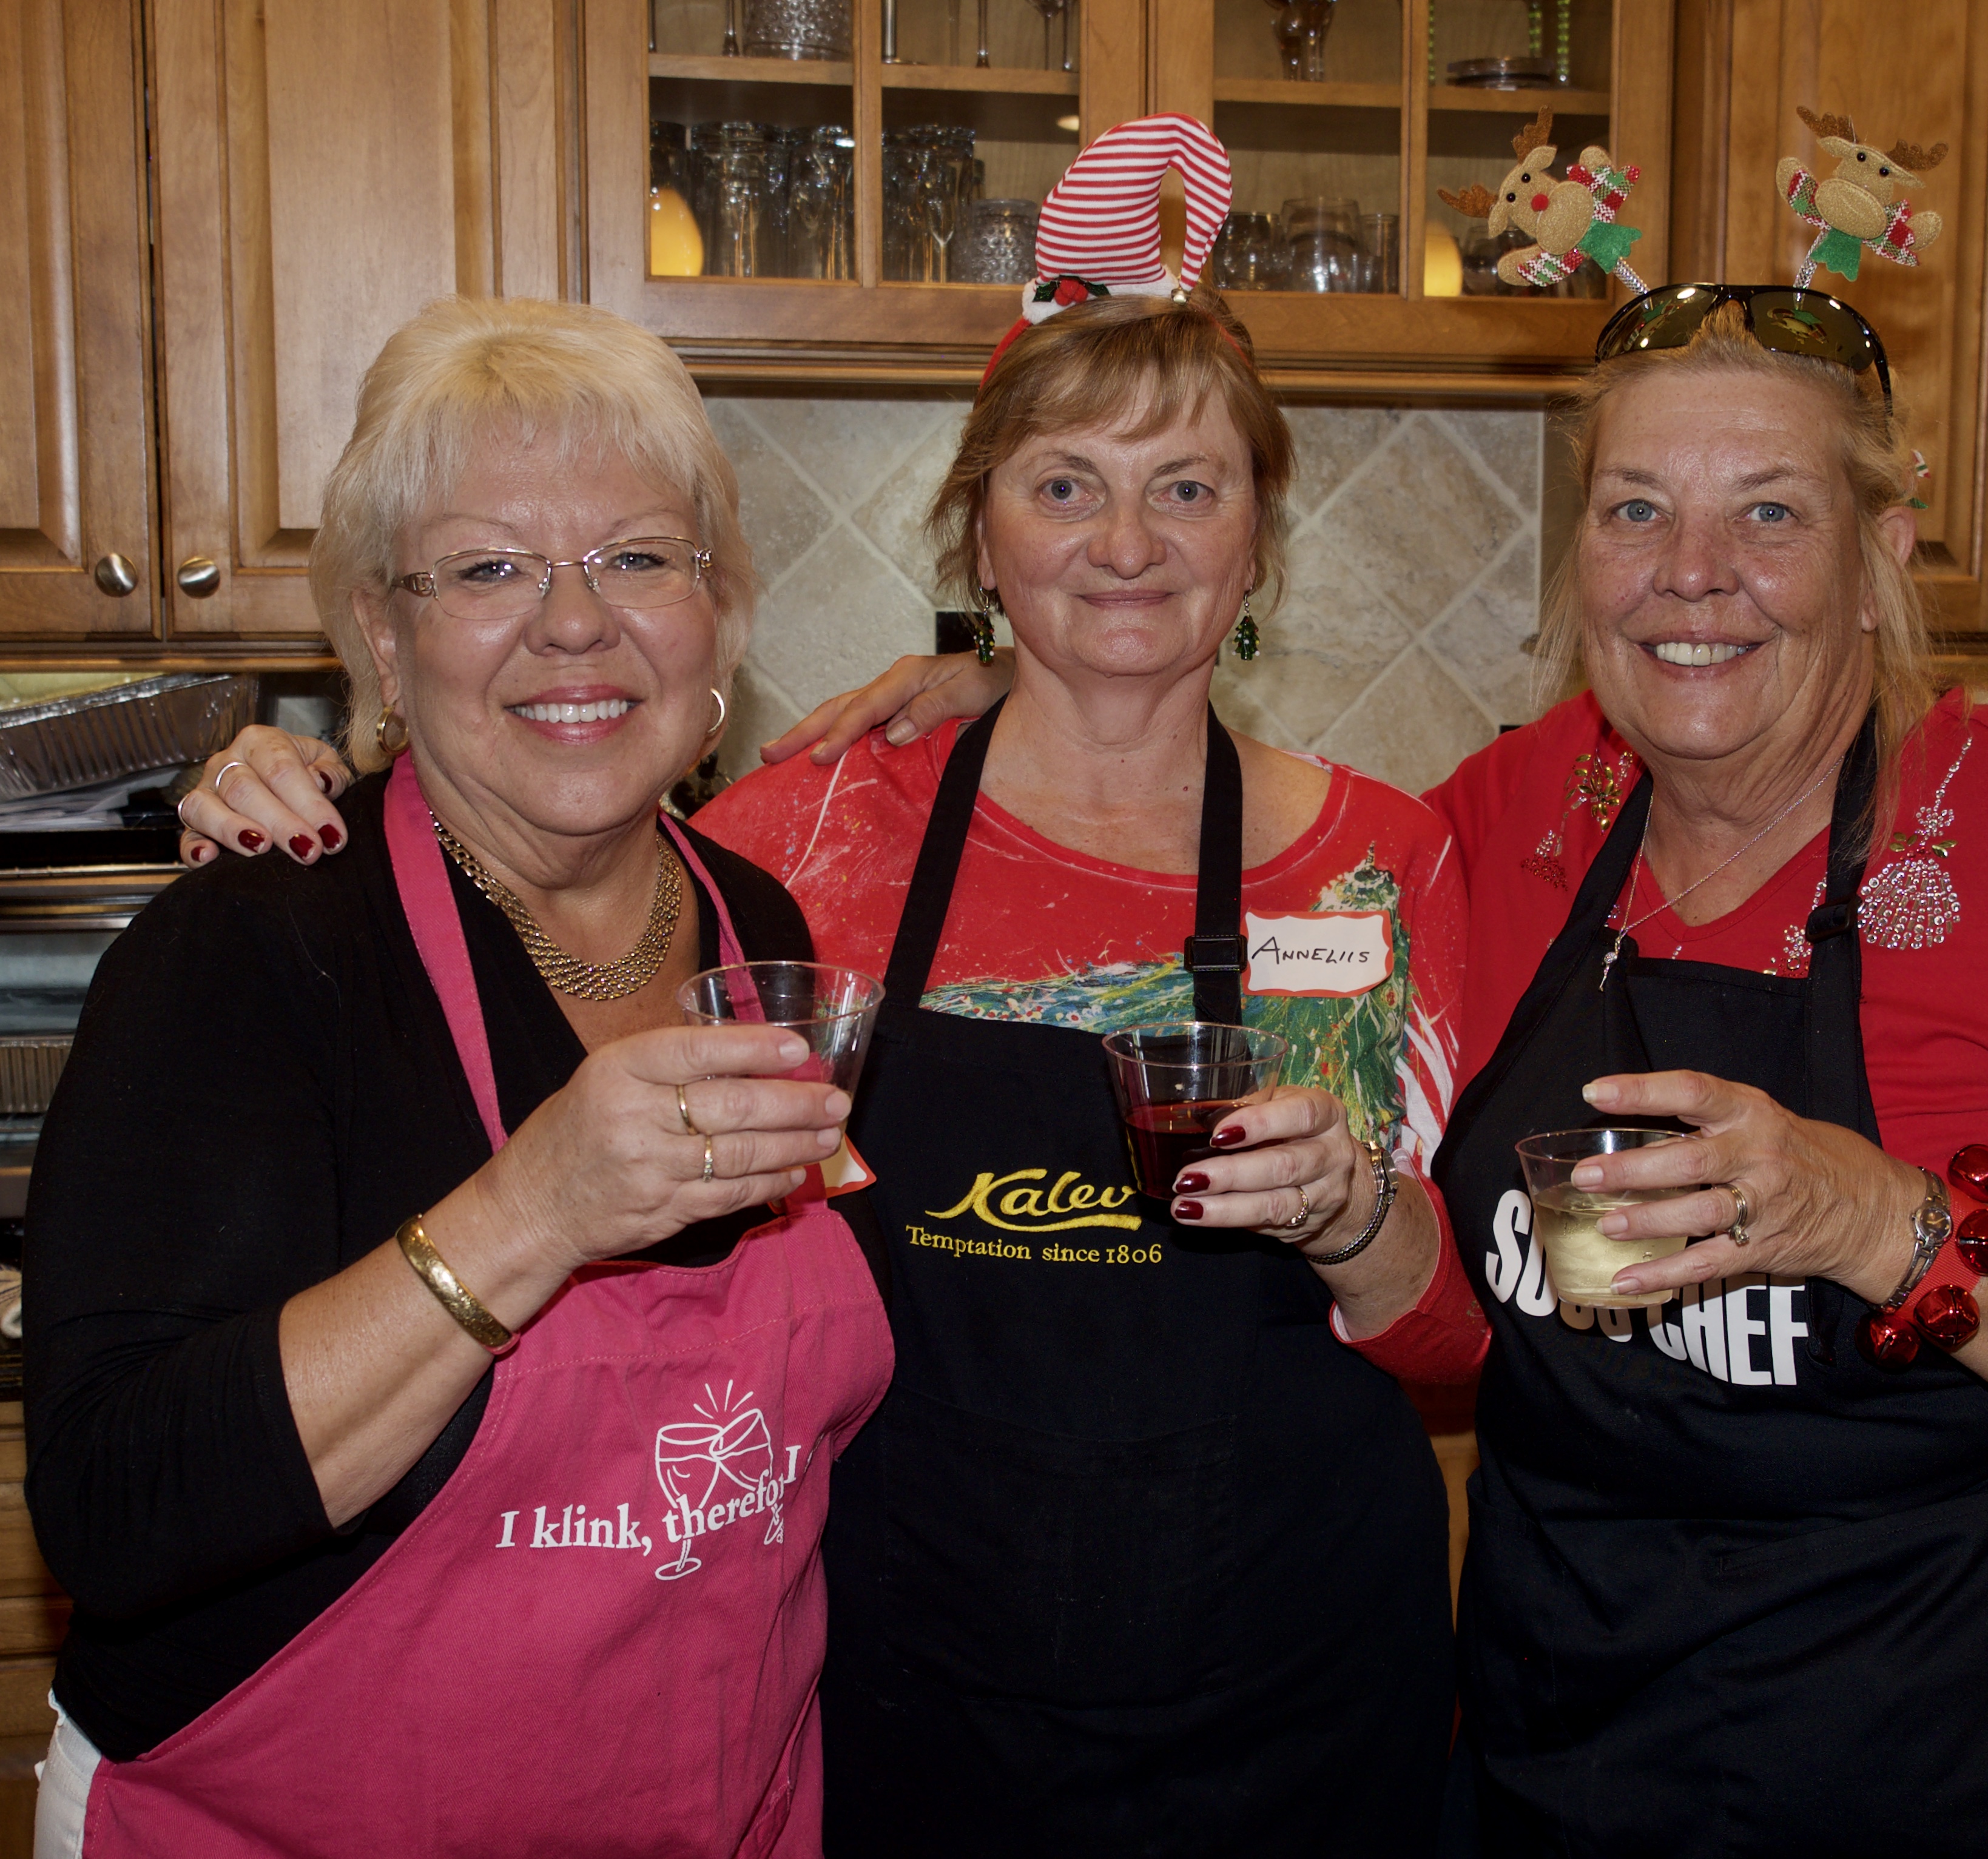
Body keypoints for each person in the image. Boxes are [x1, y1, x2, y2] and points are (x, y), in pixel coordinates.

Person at [646, 286, 1988, 1856]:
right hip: (1566, 1721)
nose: (1692, 575)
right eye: (1635, 510)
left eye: (1767, 513)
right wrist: (1035, 674)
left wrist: (1877, 1221)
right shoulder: (1512, 823)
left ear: (1879, 557)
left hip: (1944, 1734)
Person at [171, 119, 1464, 1858]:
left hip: (1294, 1694)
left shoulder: (1388, 857)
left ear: (1256, 540)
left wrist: (1353, 1212)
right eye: (1061, 485)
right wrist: (307, 787)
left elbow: (1463, 1332)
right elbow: (517, 881)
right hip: (912, 1689)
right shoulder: (804, 837)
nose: (1125, 541)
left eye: (1188, 486)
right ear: (978, 535)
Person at [25, 296, 889, 1857]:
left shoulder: (756, 928)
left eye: (639, 558)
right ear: (383, 635)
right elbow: (119, 1507)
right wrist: (530, 1212)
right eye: (489, 570)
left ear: (720, 614)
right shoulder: (257, 942)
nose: (576, 625)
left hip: (709, 1807)